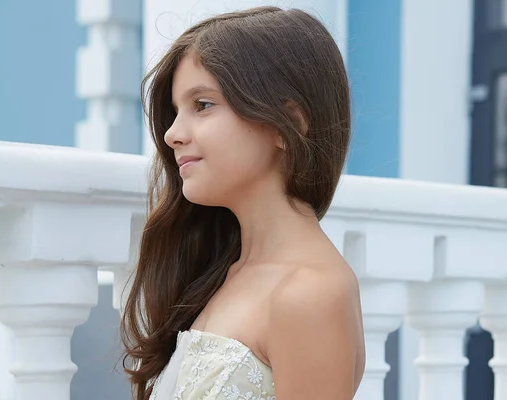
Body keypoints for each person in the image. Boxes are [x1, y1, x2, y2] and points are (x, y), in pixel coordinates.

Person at [121, 6, 365, 400]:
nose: (171, 134)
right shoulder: (224, 272)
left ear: (288, 125)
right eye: (176, 111)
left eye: (202, 105)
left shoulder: (311, 293)